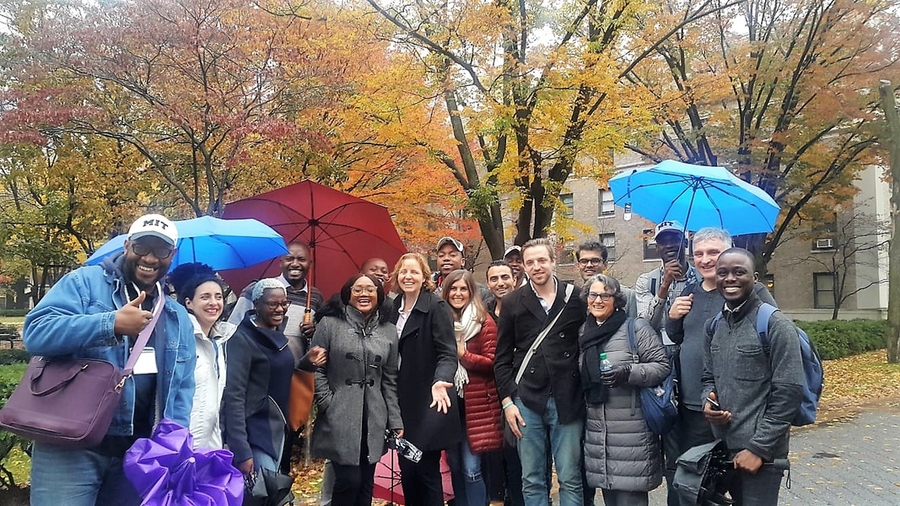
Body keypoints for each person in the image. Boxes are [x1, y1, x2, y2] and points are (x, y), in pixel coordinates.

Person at [23, 213, 196, 506]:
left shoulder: (176, 315)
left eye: (161, 250)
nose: (151, 258)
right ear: (127, 246)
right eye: (143, 247)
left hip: (139, 453)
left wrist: (171, 446)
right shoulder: (84, 283)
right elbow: (36, 332)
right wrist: (110, 324)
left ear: (172, 255)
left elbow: (182, 389)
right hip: (71, 449)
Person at [664, 228, 777, 506]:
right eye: (699, 253)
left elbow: (772, 340)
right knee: (695, 489)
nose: (705, 259)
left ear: (728, 253)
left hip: (740, 413)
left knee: (741, 489)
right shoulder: (689, 291)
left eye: (713, 252)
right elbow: (679, 338)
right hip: (693, 408)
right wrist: (672, 317)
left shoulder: (752, 292)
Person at [701, 248, 804, 504]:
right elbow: (707, 377)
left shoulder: (776, 326)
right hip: (723, 449)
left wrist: (758, 449)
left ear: (755, 278)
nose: (730, 278)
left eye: (739, 272)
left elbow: (788, 393)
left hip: (762, 456)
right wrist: (708, 401)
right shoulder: (714, 326)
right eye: (723, 273)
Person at [494, 238, 587, 506]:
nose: (536, 267)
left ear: (553, 261)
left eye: (541, 260)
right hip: (526, 399)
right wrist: (508, 402)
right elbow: (501, 359)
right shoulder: (513, 301)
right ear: (523, 267)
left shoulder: (575, 297)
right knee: (532, 478)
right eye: (530, 262)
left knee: (570, 476)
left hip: (567, 398)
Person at [227, 241, 325, 472]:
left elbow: (299, 357)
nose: (280, 309)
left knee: (278, 472)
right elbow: (235, 394)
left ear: (310, 264)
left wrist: (312, 339)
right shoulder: (254, 297)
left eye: (301, 259)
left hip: (285, 404)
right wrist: (240, 446)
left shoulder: (313, 299)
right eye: (289, 258)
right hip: (257, 413)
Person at [311, 274, 402, 506]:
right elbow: (316, 369)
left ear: (379, 295)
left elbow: (389, 379)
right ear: (348, 293)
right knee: (349, 480)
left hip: (374, 415)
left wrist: (395, 419)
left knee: (366, 484)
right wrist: (327, 402)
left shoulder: (389, 331)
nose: (364, 294)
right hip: (339, 413)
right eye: (358, 289)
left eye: (370, 289)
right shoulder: (329, 324)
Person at [579, 273, 669, 506]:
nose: (598, 300)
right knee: (611, 498)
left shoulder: (635, 328)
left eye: (605, 295)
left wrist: (628, 372)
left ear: (616, 300)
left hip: (633, 431)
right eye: (593, 295)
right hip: (598, 430)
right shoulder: (583, 333)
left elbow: (661, 366)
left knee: (631, 499)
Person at [390, 252, 462, 505]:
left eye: (414, 272)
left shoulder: (435, 306)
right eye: (403, 271)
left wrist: (441, 380)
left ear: (424, 277)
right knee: (407, 469)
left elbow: (447, 352)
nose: (408, 276)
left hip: (428, 399)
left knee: (426, 470)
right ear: (397, 276)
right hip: (399, 401)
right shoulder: (392, 308)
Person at [441, 269, 504, 506]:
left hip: (475, 406)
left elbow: (492, 362)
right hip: (449, 405)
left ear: (471, 292)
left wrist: (463, 355)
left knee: (471, 468)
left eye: (463, 289)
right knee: (454, 466)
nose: (458, 293)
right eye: (453, 289)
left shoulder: (482, 321)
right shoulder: (441, 320)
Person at [170, 263, 237, 449]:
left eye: (218, 297)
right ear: (188, 302)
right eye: (205, 297)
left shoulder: (220, 340)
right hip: (181, 445)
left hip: (209, 446)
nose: (213, 303)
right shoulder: (179, 340)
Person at [483, 260, 527, 506]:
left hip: (520, 392)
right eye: (494, 278)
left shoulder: (527, 308)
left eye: (504, 277)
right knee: (494, 458)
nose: (500, 283)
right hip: (489, 393)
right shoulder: (483, 314)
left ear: (514, 279)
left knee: (519, 458)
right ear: (488, 283)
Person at [633, 221, 698, 336]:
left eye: (674, 240)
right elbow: (646, 325)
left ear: (686, 243)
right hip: (658, 350)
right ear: (657, 248)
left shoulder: (701, 278)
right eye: (663, 242)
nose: (669, 245)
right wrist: (665, 285)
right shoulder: (646, 281)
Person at [575, 241, 636, 318]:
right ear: (578, 266)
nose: (589, 265)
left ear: (605, 265)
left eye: (595, 261)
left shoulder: (628, 296)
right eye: (584, 261)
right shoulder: (574, 298)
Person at [433, 236, 494, 304]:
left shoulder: (481, 293)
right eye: (441, 255)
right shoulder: (427, 290)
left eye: (452, 255)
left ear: (462, 262)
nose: (446, 258)